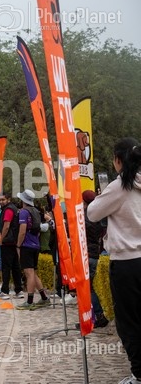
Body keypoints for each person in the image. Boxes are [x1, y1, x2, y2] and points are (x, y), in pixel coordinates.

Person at [87, 138, 141, 384]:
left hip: (127, 264)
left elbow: (92, 213)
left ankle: (139, 374)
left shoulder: (120, 186)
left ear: (118, 160)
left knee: (129, 322)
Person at [13, 190, 50, 310]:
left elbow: (22, 231)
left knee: (28, 274)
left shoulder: (24, 212)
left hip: (26, 246)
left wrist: (18, 245)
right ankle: (44, 298)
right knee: (33, 273)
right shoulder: (36, 211)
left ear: (23, 200)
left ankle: (29, 301)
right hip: (35, 245)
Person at [82, 190, 109, 328]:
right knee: (92, 287)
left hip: (86, 254)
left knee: (88, 288)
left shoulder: (83, 216)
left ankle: (98, 316)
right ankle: (96, 315)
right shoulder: (99, 215)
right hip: (96, 253)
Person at [0, 194, 24, 300]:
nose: (1, 202)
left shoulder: (8, 210)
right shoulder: (15, 209)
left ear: (8, 199)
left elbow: (6, 225)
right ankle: (19, 290)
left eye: (3, 199)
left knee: (6, 267)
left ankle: (5, 291)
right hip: (14, 241)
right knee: (15, 267)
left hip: (8, 242)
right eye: (0, 200)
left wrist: (1, 238)